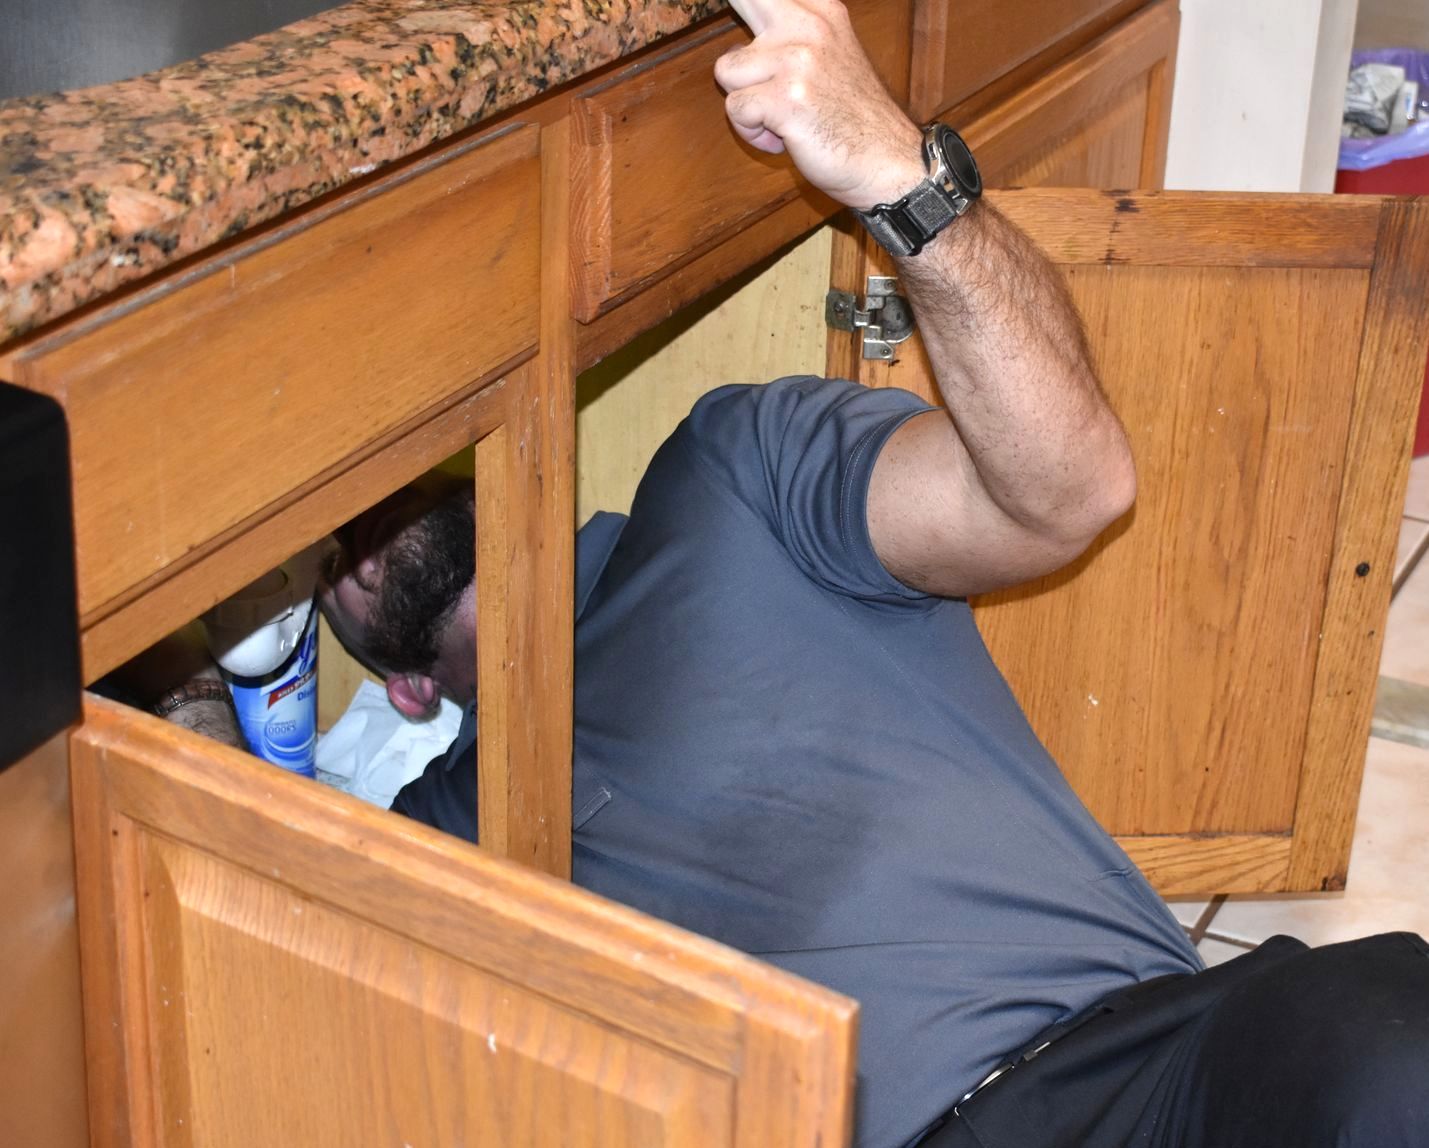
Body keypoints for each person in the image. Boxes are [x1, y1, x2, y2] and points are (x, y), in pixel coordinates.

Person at [313, 1, 1429, 1145]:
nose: (350, 518)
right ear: (400, 689)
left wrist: (904, 179)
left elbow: (1068, 491)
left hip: (1150, 1056)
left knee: (1391, 1045)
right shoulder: (443, 832)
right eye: (319, 558)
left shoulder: (730, 475)